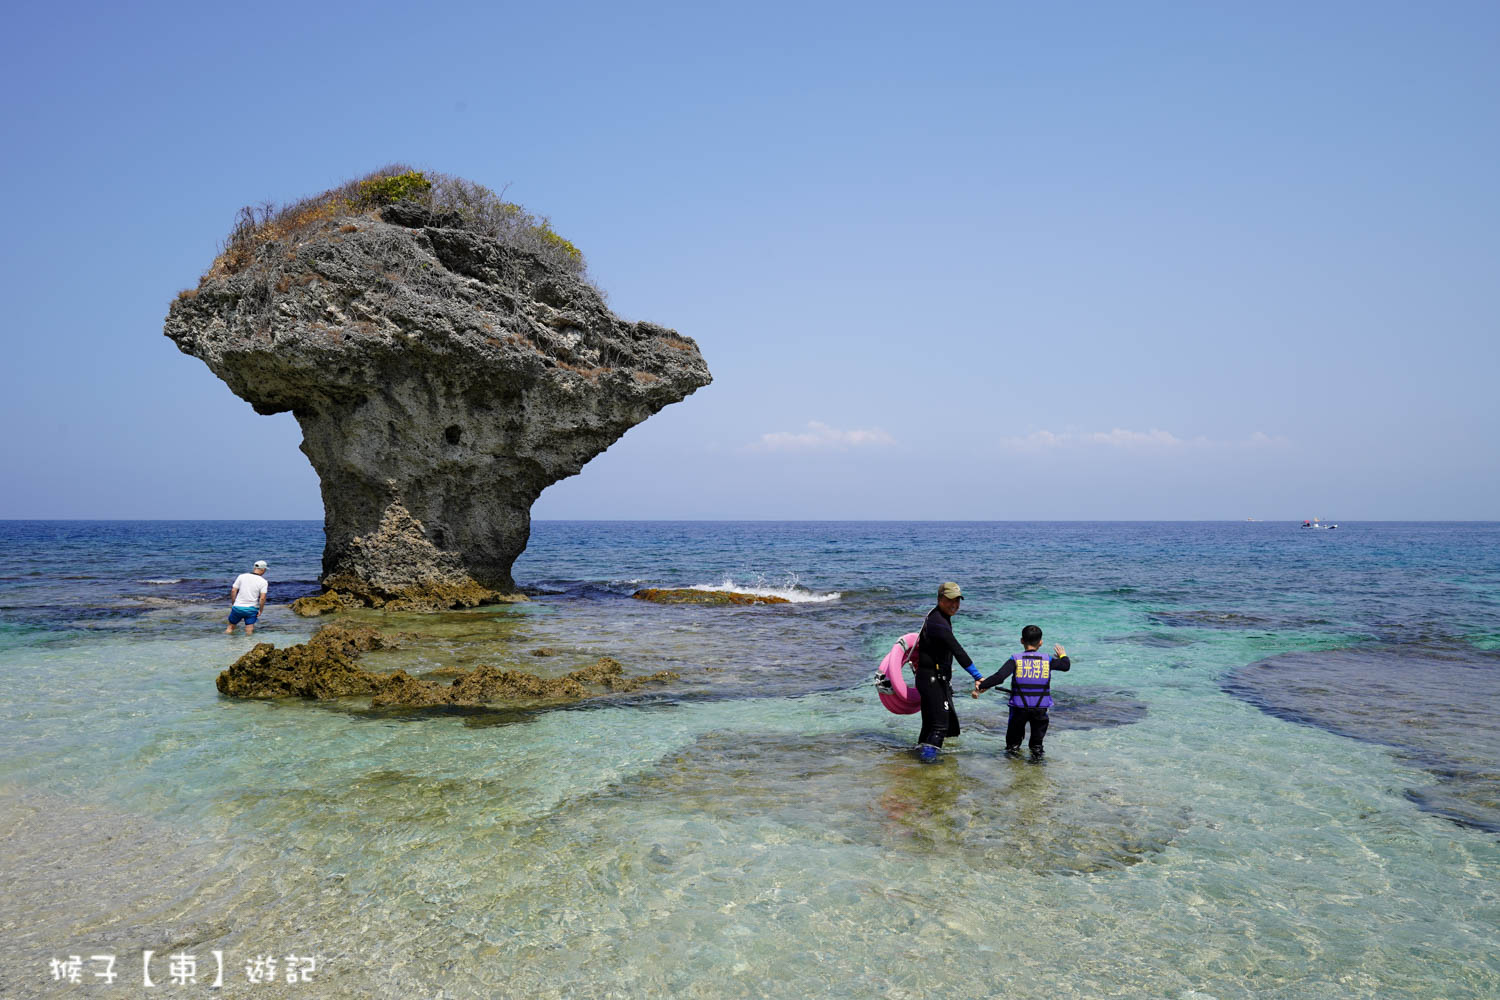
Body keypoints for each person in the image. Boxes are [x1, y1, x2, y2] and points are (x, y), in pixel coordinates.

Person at [973, 624, 1070, 757]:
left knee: (1012, 746)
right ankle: (1036, 772)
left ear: (1022, 641)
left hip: (1019, 708)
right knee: (1036, 746)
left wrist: (982, 685)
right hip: (1040, 708)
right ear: (1040, 642)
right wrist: (1062, 655)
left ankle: (1012, 771)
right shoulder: (1047, 660)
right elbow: (1066, 666)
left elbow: (999, 677)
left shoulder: (1016, 659)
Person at [914, 581, 984, 761]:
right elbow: (957, 650)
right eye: (950, 600)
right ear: (939, 599)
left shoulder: (938, 617)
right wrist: (977, 676)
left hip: (930, 678)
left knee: (930, 725)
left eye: (957, 600)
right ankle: (929, 764)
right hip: (931, 679)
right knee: (940, 726)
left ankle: (921, 759)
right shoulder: (938, 623)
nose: (954, 604)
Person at [226, 560, 269, 635]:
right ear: (263, 569)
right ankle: (248, 645)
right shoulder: (263, 581)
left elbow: (233, 590)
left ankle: (226, 643)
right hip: (251, 609)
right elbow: (262, 598)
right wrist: (261, 610)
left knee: (230, 628)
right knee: (249, 630)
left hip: (237, 607)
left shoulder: (241, 576)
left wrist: (233, 603)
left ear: (254, 568)